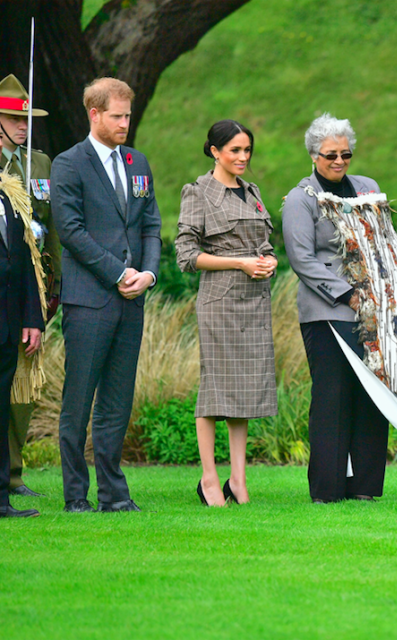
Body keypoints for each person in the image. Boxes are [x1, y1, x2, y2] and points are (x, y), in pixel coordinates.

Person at [51, 77, 161, 513]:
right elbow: (71, 233)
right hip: (88, 299)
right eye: (117, 116)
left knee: (117, 400)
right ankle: (76, 495)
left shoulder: (137, 162)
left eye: (128, 116)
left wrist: (148, 274)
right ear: (94, 114)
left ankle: (114, 494)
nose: (125, 124)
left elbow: (151, 224)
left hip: (132, 299)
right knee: (78, 401)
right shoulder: (69, 163)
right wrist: (119, 272)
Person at [283, 113, 392, 504]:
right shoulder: (300, 199)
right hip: (327, 312)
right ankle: (328, 491)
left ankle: (365, 488)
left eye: (346, 154)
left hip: (373, 311)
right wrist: (349, 294)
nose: (339, 161)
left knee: (372, 398)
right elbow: (303, 260)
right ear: (314, 155)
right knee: (333, 399)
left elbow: (382, 242)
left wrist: (385, 290)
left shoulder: (368, 188)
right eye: (331, 154)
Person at [175, 120, 277, 507]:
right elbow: (186, 256)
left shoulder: (252, 192)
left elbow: (263, 243)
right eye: (235, 150)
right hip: (220, 303)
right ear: (215, 151)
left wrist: (267, 261)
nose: (243, 157)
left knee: (245, 391)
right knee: (216, 390)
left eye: (247, 150)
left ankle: (239, 480)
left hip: (255, 301)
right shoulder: (197, 193)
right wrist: (241, 263)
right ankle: (209, 479)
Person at [0, 73, 60, 499]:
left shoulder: (39, 163)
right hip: (6, 278)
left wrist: (57, 282)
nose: (23, 126)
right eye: (13, 118)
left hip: (36, 284)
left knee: (24, 379)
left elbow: (52, 225)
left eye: (26, 119)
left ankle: (14, 472)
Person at [0, 167, 45, 517]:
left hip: (8, 326)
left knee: (1, 412)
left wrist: (32, 318)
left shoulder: (8, 197)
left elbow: (26, 263)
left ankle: (1, 499)